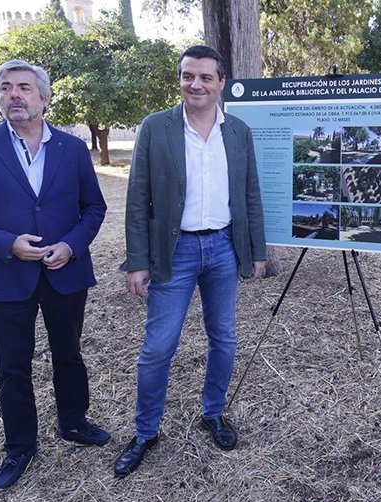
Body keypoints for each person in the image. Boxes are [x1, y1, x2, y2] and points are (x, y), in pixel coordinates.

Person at [0, 60, 109, 490]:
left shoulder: (72, 149)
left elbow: (94, 207)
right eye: (5, 88)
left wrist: (71, 245)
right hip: (5, 275)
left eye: (23, 87)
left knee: (69, 354)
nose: (13, 94)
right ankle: (20, 447)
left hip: (65, 273)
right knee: (12, 367)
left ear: (44, 97)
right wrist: (7, 243)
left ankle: (73, 422)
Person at [113, 45, 267, 478]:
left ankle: (213, 412)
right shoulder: (155, 128)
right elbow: (137, 197)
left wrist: (256, 250)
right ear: (180, 79)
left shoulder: (237, 132)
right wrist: (137, 260)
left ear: (221, 83)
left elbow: (250, 193)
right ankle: (145, 432)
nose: (195, 84)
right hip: (174, 251)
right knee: (158, 346)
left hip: (222, 248)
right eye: (187, 76)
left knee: (224, 338)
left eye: (204, 77)